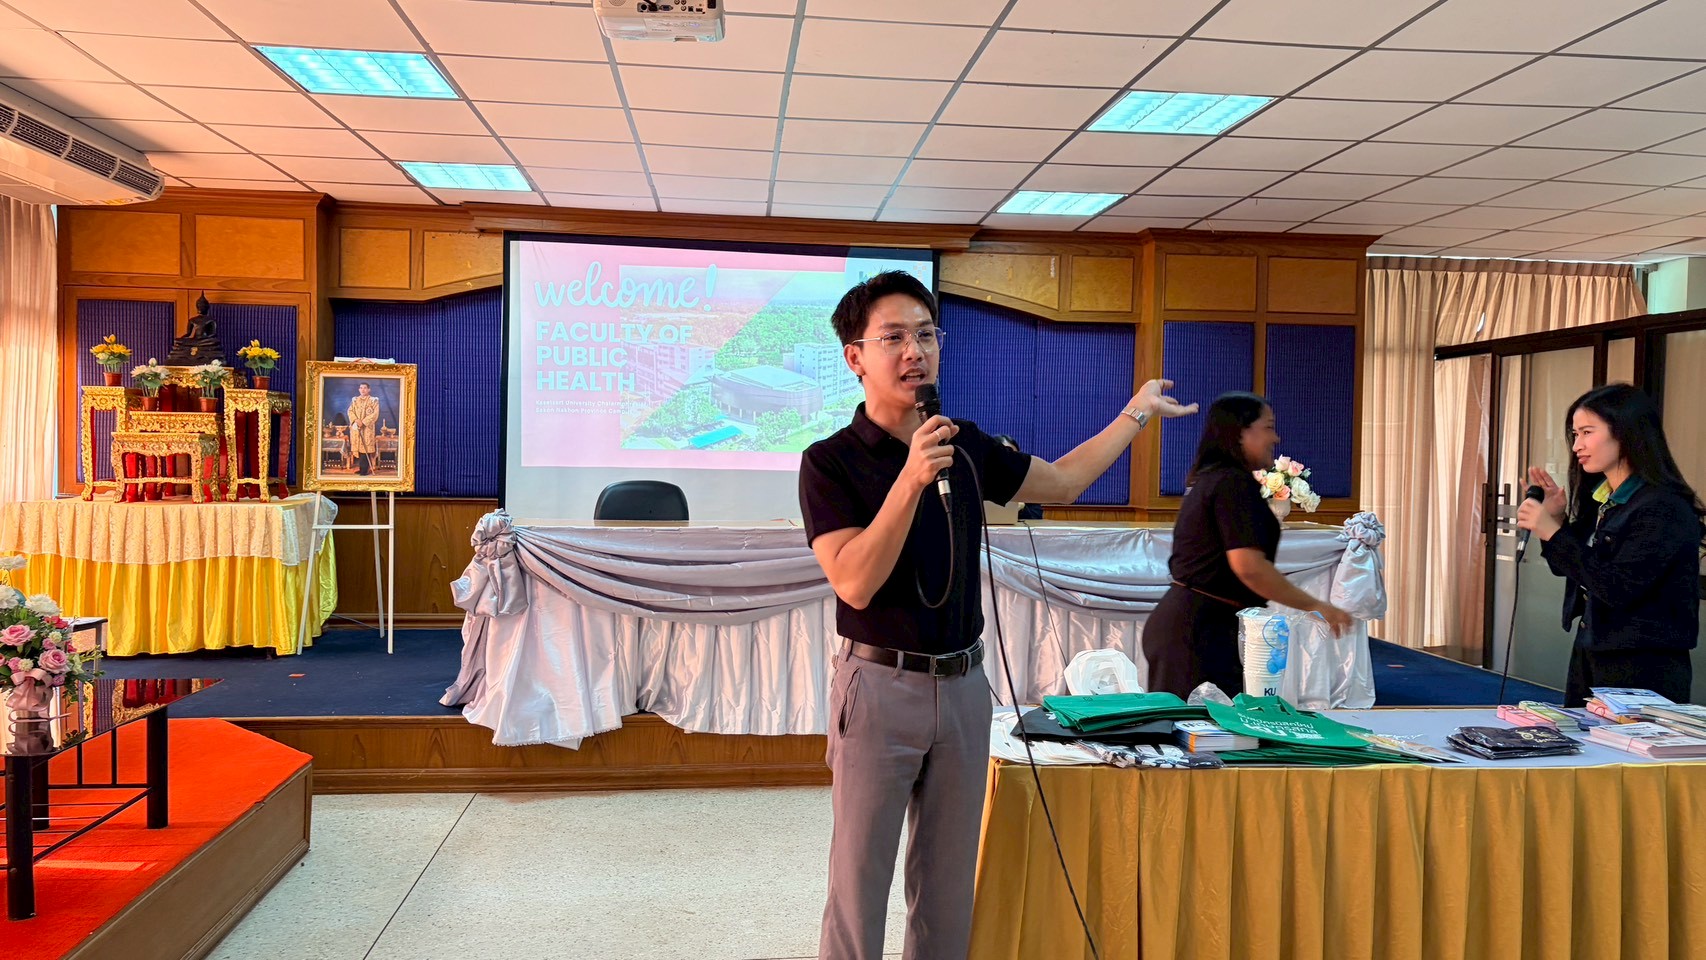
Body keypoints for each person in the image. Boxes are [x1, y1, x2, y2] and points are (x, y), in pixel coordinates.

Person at [798, 270, 1195, 960]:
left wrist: (1136, 411)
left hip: (962, 689)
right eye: (894, 337)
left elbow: (1063, 481)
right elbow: (855, 582)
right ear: (855, 356)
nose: (915, 351)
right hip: (879, 689)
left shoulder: (964, 444)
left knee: (948, 885)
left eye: (926, 334)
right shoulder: (829, 462)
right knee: (860, 882)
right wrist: (911, 479)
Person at [1142, 392, 1353, 699]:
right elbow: (1250, 568)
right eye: (1268, 427)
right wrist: (1317, 606)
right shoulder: (1231, 483)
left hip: (1200, 625)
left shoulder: (1218, 479)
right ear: (1241, 432)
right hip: (1197, 632)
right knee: (1201, 725)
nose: (1275, 438)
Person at [1516, 383, 1704, 706]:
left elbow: (1617, 586)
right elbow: (1575, 569)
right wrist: (1558, 521)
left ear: (1625, 432)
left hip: (1642, 666)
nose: (1577, 445)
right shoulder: (1604, 499)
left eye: (1587, 432)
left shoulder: (1663, 507)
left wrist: (1553, 533)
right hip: (1592, 650)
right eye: (1575, 434)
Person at [992, 434, 1045, 520]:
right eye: (1005, 454)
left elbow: (1037, 515)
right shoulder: (979, 480)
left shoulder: (1027, 483)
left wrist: (1022, 507)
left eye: (1014, 455)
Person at [346, 382, 380, 475]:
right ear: (359, 389)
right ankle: (361, 468)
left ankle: (365, 470)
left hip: (367, 428)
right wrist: (356, 420)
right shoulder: (355, 400)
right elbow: (350, 411)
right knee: (360, 449)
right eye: (361, 388)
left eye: (365, 388)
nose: (363, 390)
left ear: (369, 389)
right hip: (357, 427)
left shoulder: (373, 401)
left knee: (365, 448)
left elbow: (375, 414)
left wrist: (363, 422)